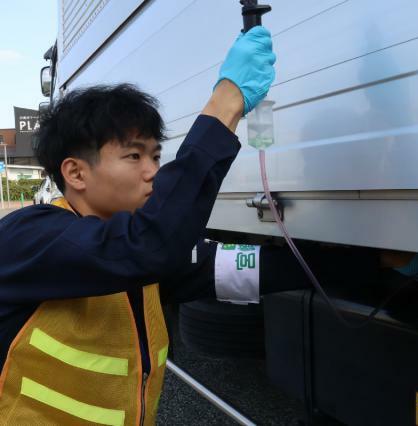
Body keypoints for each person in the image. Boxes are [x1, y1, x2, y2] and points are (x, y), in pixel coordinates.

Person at [0, 26, 286, 425]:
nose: (154, 172)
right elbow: (148, 246)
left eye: (156, 155)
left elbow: (226, 270)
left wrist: (365, 268)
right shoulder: (29, 236)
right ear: (76, 173)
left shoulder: (133, 251)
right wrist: (227, 102)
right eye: (135, 157)